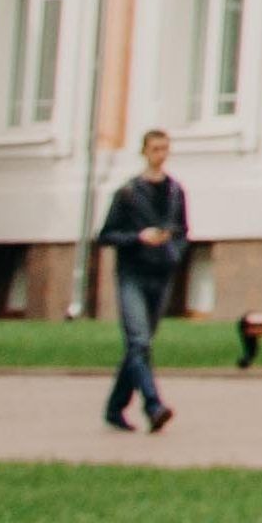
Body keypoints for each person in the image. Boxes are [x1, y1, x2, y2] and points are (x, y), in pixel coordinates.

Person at [95, 129, 187, 435]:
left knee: (140, 346)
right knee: (139, 341)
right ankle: (153, 405)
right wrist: (138, 237)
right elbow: (106, 235)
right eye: (155, 149)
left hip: (161, 274)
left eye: (165, 148)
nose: (161, 154)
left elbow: (183, 231)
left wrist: (173, 249)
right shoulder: (128, 193)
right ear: (144, 152)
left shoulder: (175, 192)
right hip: (132, 274)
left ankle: (113, 408)